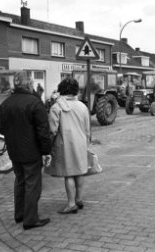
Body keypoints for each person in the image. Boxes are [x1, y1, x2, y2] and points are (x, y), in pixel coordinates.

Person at [0, 71, 52, 230]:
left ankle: (19, 214)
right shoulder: (35, 102)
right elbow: (43, 131)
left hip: (14, 151)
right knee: (32, 185)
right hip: (31, 152)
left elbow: (1, 128)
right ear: (29, 84)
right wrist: (46, 151)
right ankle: (30, 219)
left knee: (20, 181)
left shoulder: (6, 103)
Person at [47, 77, 90, 214]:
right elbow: (87, 129)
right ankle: (79, 199)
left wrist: (48, 147)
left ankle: (71, 204)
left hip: (65, 144)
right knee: (79, 171)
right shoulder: (83, 106)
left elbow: (52, 130)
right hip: (81, 143)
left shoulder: (56, 107)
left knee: (69, 174)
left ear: (61, 89)